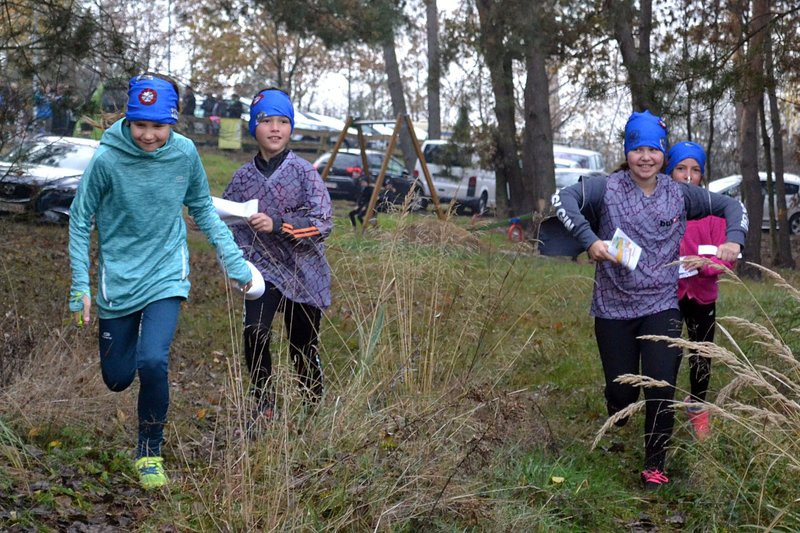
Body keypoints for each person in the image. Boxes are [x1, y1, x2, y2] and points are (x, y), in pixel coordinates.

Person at [68, 73, 252, 490]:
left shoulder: (185, 154)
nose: (149, 135)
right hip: (120, 277)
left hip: (167, 271)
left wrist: (235, 263)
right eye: (140, 125)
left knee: (153, 360)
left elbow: (203, 209)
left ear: (173, 122)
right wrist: (80, 284)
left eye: (158, 126)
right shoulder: (107, 159)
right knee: (117, 378)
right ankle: (126, 355)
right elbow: (80, 219)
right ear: (129, 121)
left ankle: (149, 451)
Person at [552, 110, 746, 490]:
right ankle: (619, 407)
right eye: (637, 148)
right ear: (627, 151)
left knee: (661, 384)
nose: (645, 157)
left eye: (653, 150)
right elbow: (562, 198)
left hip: (661, 305)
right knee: (623, 392)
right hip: (613, 307)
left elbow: (732, 207)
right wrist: (590, 240)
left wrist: (734, 237)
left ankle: (655, 463)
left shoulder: (680, 194)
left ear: (663, 154)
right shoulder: (605, 188)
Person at [222, 88, 332, 432]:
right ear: (254, 127)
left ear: (290, 128)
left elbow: (323, 221)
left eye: (282, 121)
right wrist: (206, 216)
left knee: (302, 345)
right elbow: (228, 214)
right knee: (254, 333)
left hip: (304, 272)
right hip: (261, 270)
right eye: (266, 121)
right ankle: (264, 404)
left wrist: (279, 224)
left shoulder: (304, 173)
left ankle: (314, 407)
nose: (274, 128)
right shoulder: (242, 178)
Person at [667, 141, 735, 441]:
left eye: (694, 170)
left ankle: (698, 406)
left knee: (701, 354)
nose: (687, 176)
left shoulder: (714, 213)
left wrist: (702, 265)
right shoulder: (661, 208)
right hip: (666, 296)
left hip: (702, 295)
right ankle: (661, 406)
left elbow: (724, 259)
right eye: (680, 168)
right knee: (666, 352)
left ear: (702, 176)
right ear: (669, 172)